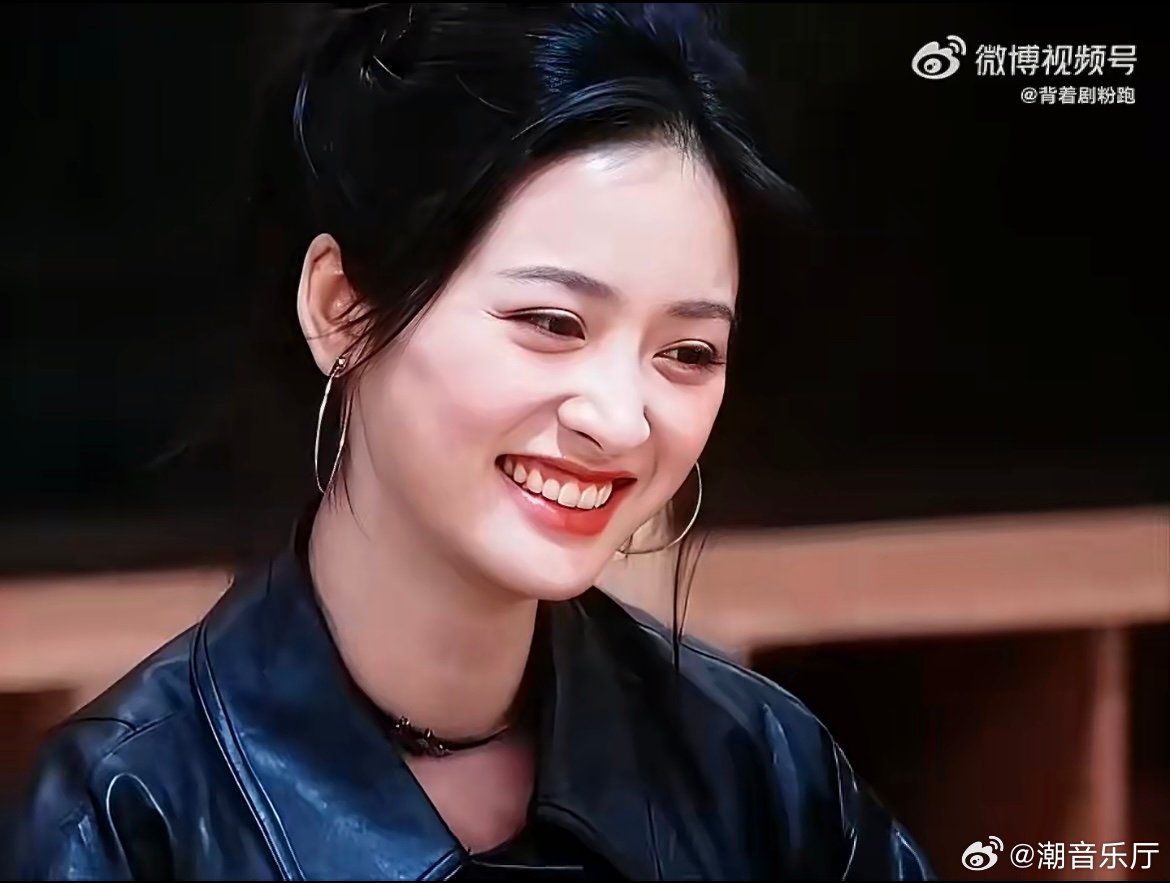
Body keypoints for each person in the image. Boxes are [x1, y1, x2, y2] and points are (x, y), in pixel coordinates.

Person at [7, 4, 935, 880]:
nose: (620, 419)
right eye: (551, 323)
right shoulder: (125, 820)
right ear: (341, 310)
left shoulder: (762, 769)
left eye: (687, 352)